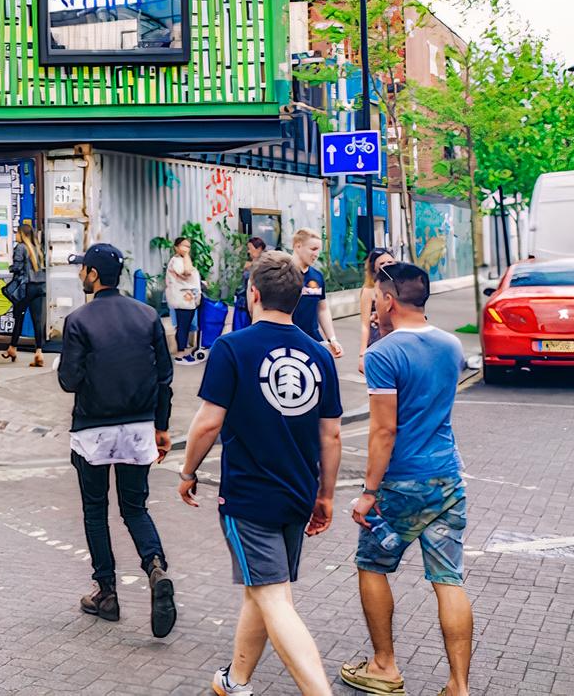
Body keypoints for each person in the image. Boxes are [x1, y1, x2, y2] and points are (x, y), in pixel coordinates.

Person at [177, 250, 343, 696]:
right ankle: (236, 680)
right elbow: (331, 437)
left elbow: (209, 421)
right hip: (297, 494)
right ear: (297, 297)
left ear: (253, 293)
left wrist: (187, 470)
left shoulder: (232, 347)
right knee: (263, 588)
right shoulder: (320, 355)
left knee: (273, 596)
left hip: (249, 497)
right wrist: (325, 496)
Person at [340, 262, 472, 696]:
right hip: (447, 477)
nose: (375, 305)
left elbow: (383, 431)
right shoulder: (451, 345)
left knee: (371, 566)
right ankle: (458, 685)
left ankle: (384, 666)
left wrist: (368, 491)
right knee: (448, 579)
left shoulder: (383, 353)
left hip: (400, 484)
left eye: (378, 297)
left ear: (390, 300)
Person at [58, 243, 177, 638]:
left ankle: (106, 594)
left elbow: (68, 381)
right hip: (139, 427)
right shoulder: (147, 316)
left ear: (94, 274)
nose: (80, 275)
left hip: (92, 430)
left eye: (83, 270)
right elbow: (165, 378)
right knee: (135, 507)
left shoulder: (78, 320)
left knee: (96, 510)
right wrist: (162, 427)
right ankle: (155, 565)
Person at [291, 229, 343, 358]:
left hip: (312, 339)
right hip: (287, 339)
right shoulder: (282, 274)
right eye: (313, 249)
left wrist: (332, 339)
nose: (317, 254)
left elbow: (322, 309)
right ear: (298, 246)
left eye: (319, 250)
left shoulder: (317, 276)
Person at [7, 220, 48, 366]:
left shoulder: (20, 247)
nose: (16, 236)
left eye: (17, 233)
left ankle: (12, 347)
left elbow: (17, 268)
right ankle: (39, 352)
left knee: (19, 317)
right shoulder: (38, 248)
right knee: (38, 320)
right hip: (41, 287)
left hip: (26, 288)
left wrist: (10, 267)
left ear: (22, 235)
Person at [356, 247, 396, 373]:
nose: (386, 266)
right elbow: (365, 324)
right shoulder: (369, 290)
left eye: (389, 262)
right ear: (374, 268)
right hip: (377, 340)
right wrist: (362, 354)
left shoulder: (401, 286)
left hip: (398, 338)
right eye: (382, 264)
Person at [166, 236, 205, 365]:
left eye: (188, 246)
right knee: (183, 327)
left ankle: (181, 354)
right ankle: (180, 355)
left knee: (185, 327)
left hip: (187, 299)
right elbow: (187, 272)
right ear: (176, 247)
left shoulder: (182, 259)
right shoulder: (176, 261)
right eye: (183, 245)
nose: (186, 249)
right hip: (182, 300)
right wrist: (187, 255)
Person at [231, 237, 267, 333]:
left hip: (249, 304)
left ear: (258, 249)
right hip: (243, 302)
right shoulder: (250, 265)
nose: (248, 251)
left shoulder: (262, 266)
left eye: (250, 248)